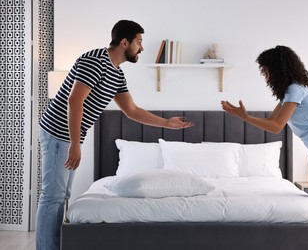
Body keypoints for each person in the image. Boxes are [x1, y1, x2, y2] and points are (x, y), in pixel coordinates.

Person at [36, 20, 194, 250]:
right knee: (52, 197)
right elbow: (75, 100)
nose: (141, 48)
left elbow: (132, 110)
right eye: (139, 42)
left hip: (69, 136)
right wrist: (74, 143)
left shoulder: (116, 74)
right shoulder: (95, 61)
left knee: (61, 195)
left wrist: (166, 123)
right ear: (124, 42)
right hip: (57, 132)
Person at [221, 45, 308, 250]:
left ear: (277, 67)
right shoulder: (288, 92)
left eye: (265, 68)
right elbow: (272, 121)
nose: (263, 73)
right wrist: (242, 116)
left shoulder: (295, 89)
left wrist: (245, 117)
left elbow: (276, 126)